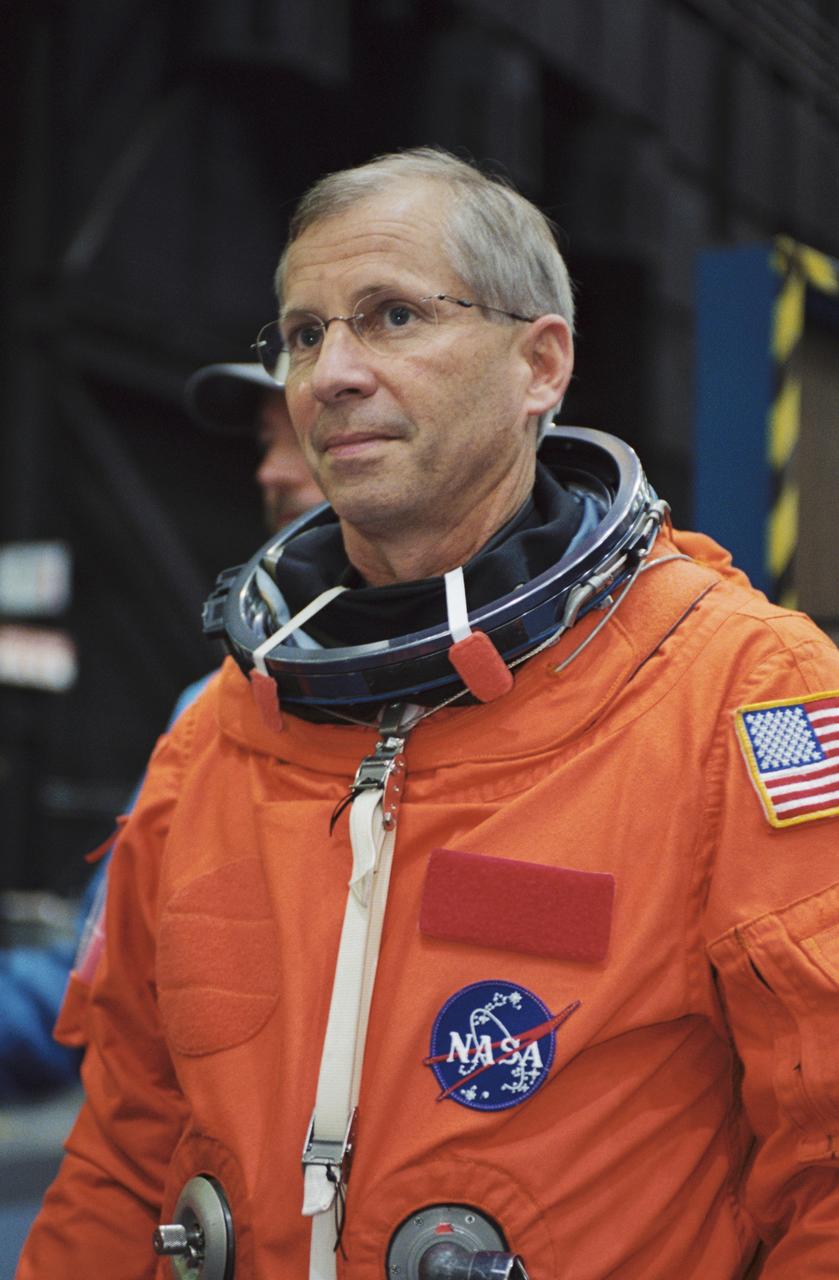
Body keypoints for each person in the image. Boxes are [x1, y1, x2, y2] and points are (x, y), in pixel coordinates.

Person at [18, 148, 839, 1280]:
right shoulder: (216, 732)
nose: (329, 373)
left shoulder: (734, 689)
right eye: (302, 334)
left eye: (391, 315)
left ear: (538, 363)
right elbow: (123, 1151)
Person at [0, 363, 321, 1104]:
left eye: (305, 439)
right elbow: (100, 985)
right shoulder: (207, 711)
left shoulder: (582, 700)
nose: (268, 472)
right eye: (268, 441)